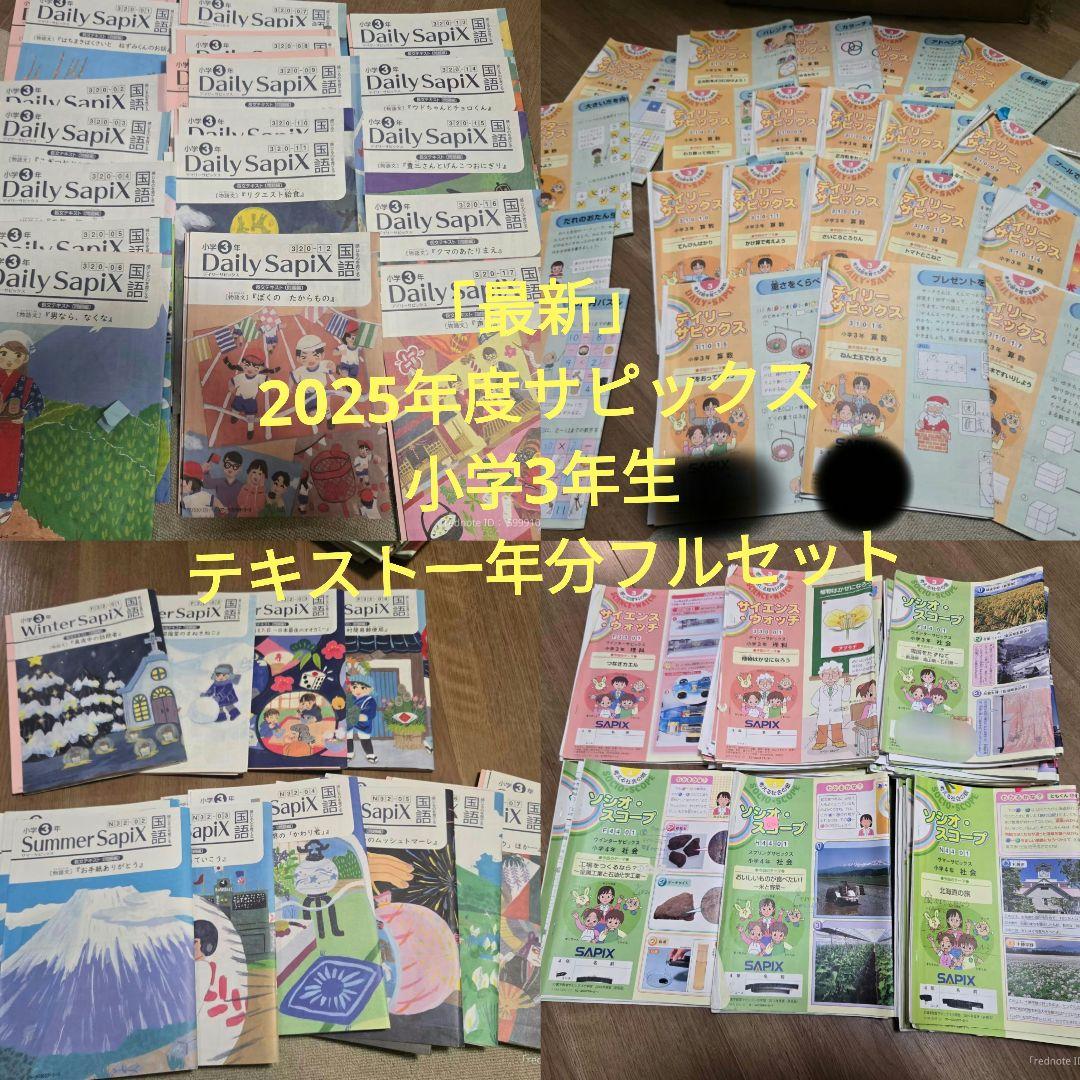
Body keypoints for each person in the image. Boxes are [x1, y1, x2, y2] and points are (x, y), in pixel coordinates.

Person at [0, 331, 44, 526]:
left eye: (17, 355)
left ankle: (4, 505)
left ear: (24, 358)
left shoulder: (28, 384)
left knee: (8, 466)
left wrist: (24, 417)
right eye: (3, 353)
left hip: (13, 433)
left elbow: (38, 406)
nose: (9, 360)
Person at [223, 354, 278, 440]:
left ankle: (250, 429)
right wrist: (231, 387)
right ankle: (235, 416)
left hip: (250, 401)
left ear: (260, 369)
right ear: (242, 365)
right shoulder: (241, 377)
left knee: (250, 417)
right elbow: (231, 381)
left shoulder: (259, 378)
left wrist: (272, 386)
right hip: (239, 398)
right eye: (247, 366)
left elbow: (267, 379)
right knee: (235, 409)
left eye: (255, 368)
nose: (250, 369)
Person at [810, 661, 850, 750]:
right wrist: (821, 707)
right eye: (827, 675)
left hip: (836, 713)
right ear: (821, 676)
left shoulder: (839, 688)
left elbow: (845, 698)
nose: (830, 678)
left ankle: (838, 741)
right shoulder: (821, 690)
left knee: (837, 727)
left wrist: (847, 686)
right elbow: (813, 701)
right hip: (823, 713)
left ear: (839, 675)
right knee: (822, 727)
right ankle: (820, 742)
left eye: (834, 675)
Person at [346, 675, 379, 763]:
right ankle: (349, 753)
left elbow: (369, 712)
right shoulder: (350, 697)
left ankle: (370, 754)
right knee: (348, 736)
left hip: (362, 723)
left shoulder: (369, 700)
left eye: (363, 688)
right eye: (355, 687)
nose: (358, 690)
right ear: (351, 687)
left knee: (364, 737)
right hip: (349, 721)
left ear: (370, 689)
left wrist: (363, 716)